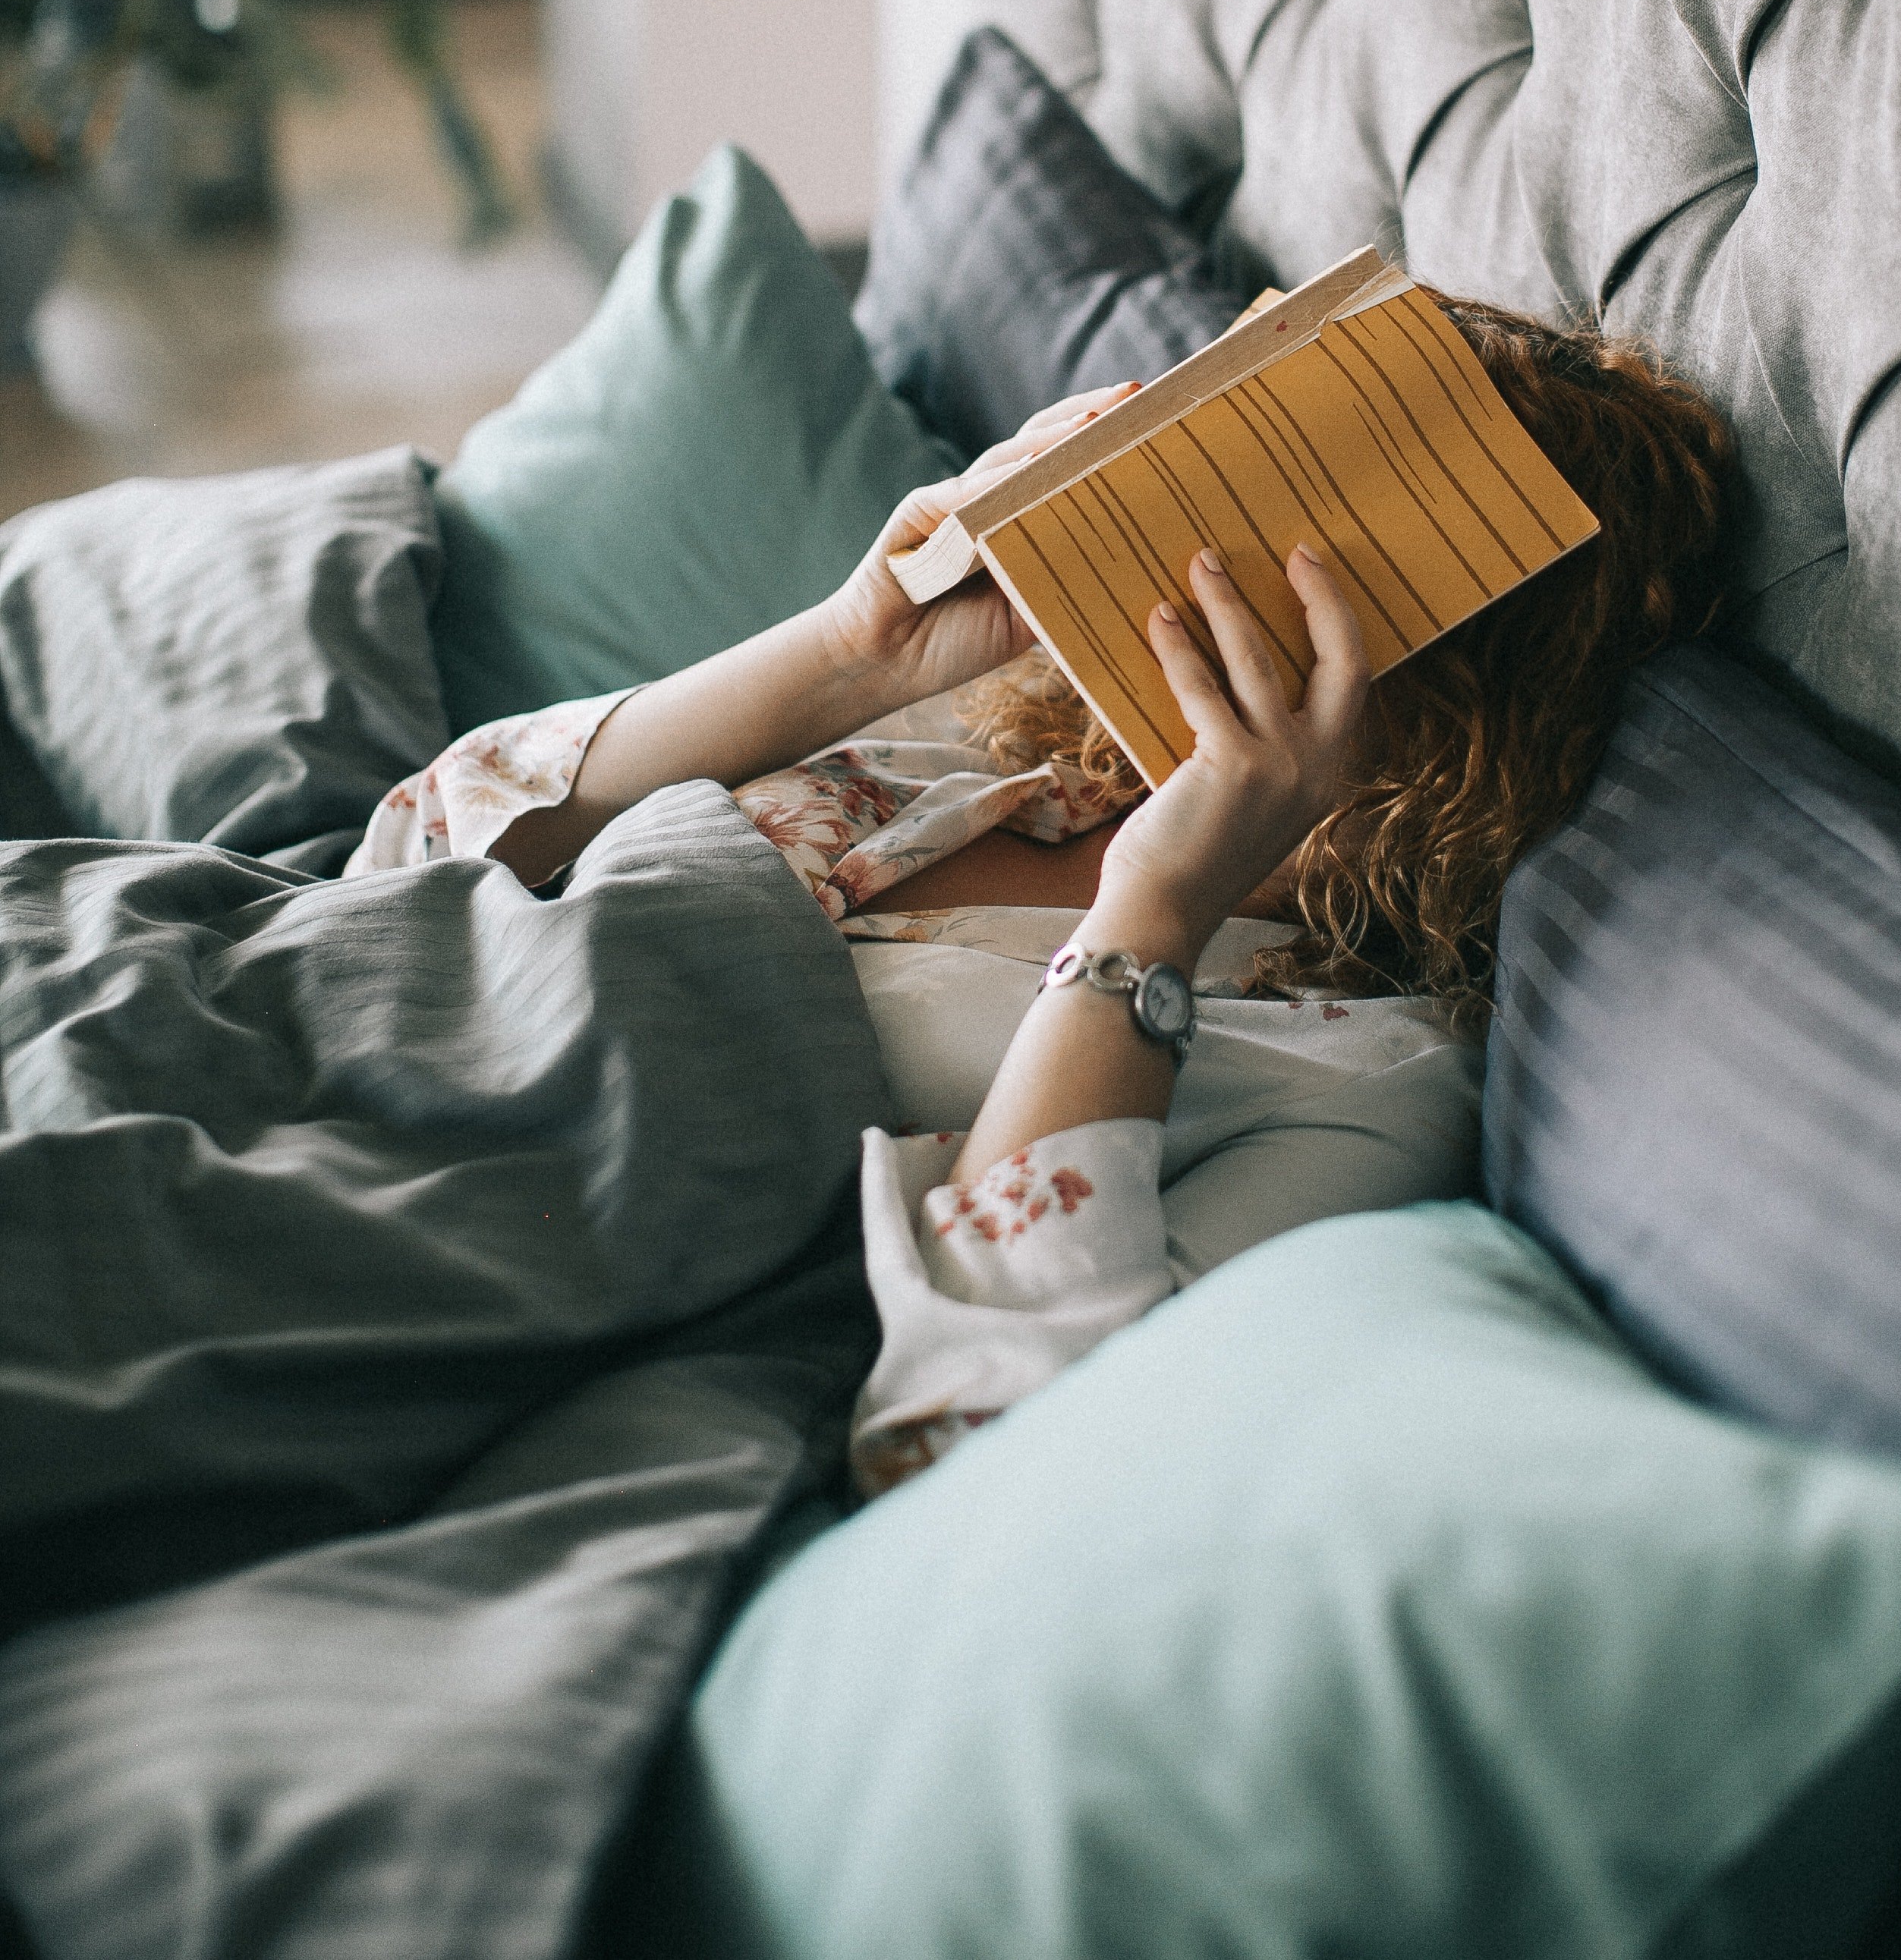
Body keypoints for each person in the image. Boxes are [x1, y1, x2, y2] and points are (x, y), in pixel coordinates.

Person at [350, 295, 1733, 1493]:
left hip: (440, 1241)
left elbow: (977, 1432)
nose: (1197, 563)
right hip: (315, 1014)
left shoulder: (1366, 1081)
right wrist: (849, 654)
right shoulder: (1016, 742)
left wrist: (1153, 908)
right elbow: (425, 841)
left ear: (1459, 693)